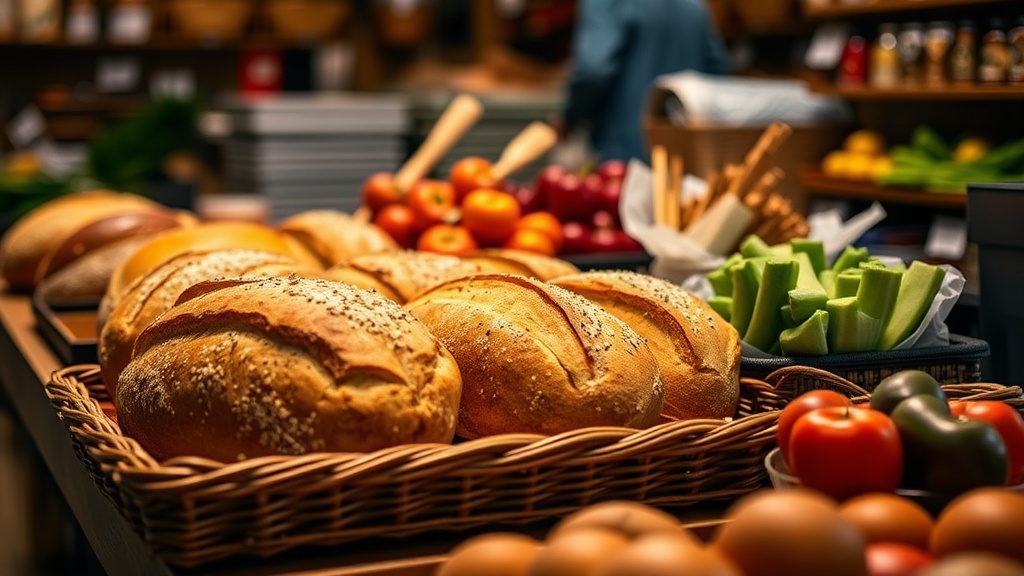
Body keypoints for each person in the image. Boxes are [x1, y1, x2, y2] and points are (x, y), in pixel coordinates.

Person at [558, 0, 731, 163]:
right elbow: (717, 72)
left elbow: (593, 70)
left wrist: (570, 119)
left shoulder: (611, 3)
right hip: (682, 156)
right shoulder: (695, 6)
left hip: (624, 152)